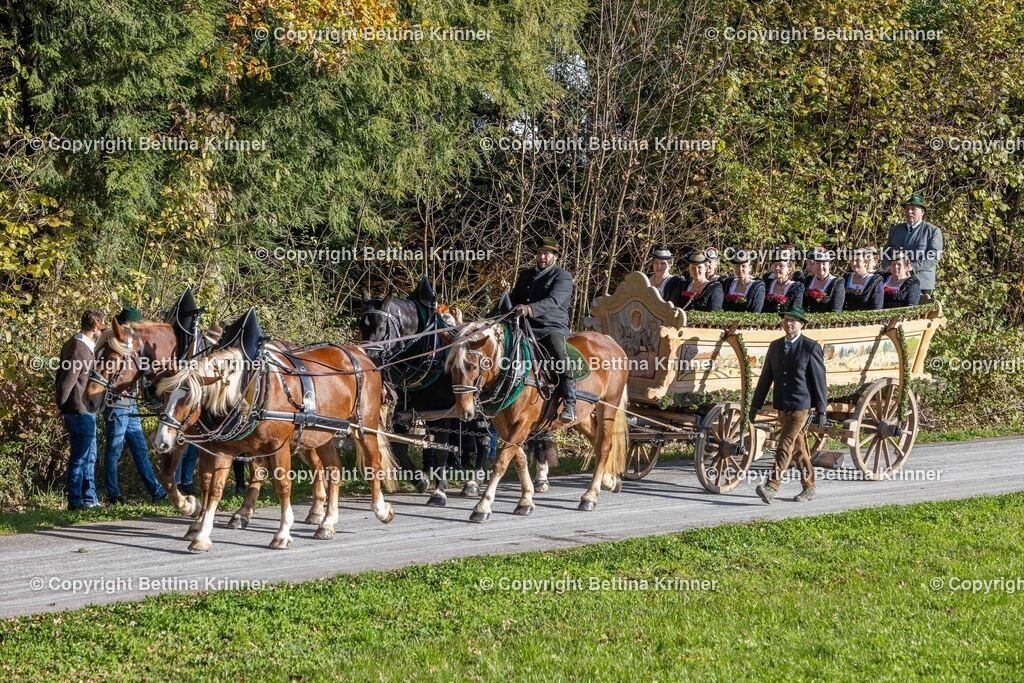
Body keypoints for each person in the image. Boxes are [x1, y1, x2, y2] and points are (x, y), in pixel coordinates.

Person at [748, 306, 828, 503]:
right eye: (786, 319)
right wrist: (755, 405)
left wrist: (821, 409)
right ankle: (809, 487)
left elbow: (819, 380)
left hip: (801, 405)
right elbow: (766, 377)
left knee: (784, 444)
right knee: (798, 447)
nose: (789, 323)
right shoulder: (775, 346)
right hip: (782, 404)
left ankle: (771, 486)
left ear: (801, 324)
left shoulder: (810, 347)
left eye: (793, 320)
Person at [101, 307, 168, 504]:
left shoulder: (132, 346)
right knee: (114, 451)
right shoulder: (112, 342)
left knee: (140, 450)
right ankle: (113, 494)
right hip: (116, 405)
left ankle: (156, 491)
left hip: (131, 405)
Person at [510, 236, 576, 422]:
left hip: (550, 327)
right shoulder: (526, 275)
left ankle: (570, 404)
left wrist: (530, 309)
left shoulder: (562, 276)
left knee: (559, 354)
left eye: (546, 253)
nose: (542, 257)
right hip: (524, 326)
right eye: (539, 253)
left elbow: (554, 301)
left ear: (555, 256)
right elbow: (514, 299)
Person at [55, 309, 106, 510]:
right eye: (101, 326)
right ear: (95, 327)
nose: (102, 330)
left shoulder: (78, 344)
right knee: (80, 456)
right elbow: (67, 380)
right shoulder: (78, 348)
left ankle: (89, 498)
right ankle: (75, 500)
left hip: (85, 409)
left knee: (89, 455)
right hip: (79, 408)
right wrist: (61, 405)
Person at [882, 194, 942, 303]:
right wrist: (887, 266)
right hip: (895, 281)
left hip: (921, 282)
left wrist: (912, 267)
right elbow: (886, 252)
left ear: (922, 212)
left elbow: (933, 257)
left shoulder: (932, 231)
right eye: (907, 209)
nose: (909, 212)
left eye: (913, 209)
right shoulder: (895, 230)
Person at [761, 245, 804, 313]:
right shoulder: (767, 284)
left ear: (789, 269)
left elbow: (796, 311)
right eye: (775, 265)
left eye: (781, 266)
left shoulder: (796, 288)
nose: (777, 268)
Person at [802, 247, 846, 313]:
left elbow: (836, 310)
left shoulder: (837, 283)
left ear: (829, 265)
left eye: (823, 263)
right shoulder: (808, 280)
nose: (820, 267)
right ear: (813, 265)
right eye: (818, 263)